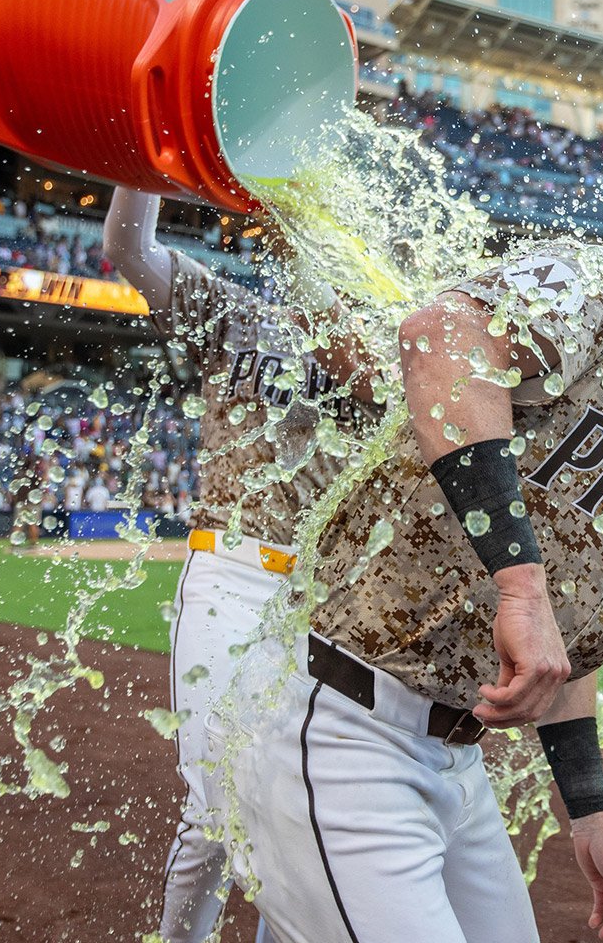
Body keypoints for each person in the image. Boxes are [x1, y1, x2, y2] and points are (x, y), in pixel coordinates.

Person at [212, 242, 603, 943]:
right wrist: (522, 586)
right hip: (344, 720)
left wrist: (592, 811)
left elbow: (569, 641)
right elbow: (442, 337)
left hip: (453, 758)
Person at [104, 188, 375, 943]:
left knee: (297, 806)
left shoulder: (380, 352)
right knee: (218, 804)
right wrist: (143, 166)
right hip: (233, 570)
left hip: (326, 599)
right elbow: (130, 250)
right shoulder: (237, 312)